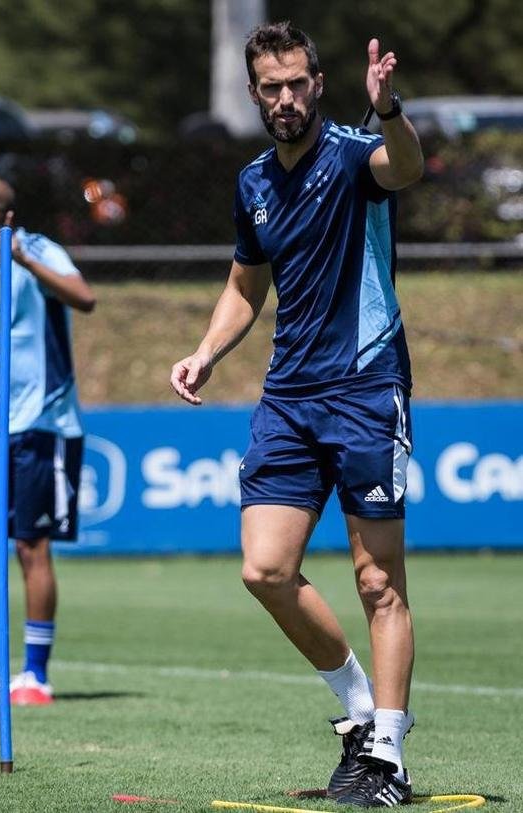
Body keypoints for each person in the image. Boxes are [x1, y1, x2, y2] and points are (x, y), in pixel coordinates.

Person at [171, 22, 423, 808]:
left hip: (364, 387)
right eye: (270, 87)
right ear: (254, 94)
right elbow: (247, 284)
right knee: (264, 569)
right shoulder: (254, 183)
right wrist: (208, 350)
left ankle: (389, 752)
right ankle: (358, 712)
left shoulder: (355, 153)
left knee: (378, 579)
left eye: (297, 83)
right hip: (288, 396)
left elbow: (405, 168)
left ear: (318, 84)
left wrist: (390, 110)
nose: (285, 99)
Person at [0, 177, 96, 705]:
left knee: (31, 545)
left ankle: (35, 675)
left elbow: (84, 298)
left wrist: (23, 258)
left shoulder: (40, 250)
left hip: (44, 424)